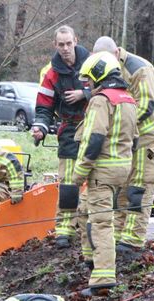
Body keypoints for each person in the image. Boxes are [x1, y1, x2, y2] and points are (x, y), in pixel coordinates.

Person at [92, 36, 154, 259]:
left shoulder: (139, 69)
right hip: (130, 139)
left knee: (139, 189)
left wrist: (117, 125)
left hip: (149, 138)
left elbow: (146, 106)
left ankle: (133, 242)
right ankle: (118, 237)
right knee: (123, 189)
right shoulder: (106, 67)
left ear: (117, 53)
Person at [70, 52, 136, 293]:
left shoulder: (101, 101)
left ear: (99, 74)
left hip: (102, 171)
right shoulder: (127, 99)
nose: (88, 85)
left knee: (101, 224)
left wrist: (78, 174)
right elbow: (134, 139)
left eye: (89, 80)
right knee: (89, 214)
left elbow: (94, 139)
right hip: (121, 169)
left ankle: (103, 280)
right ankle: (91, 260)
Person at [33, 26, 92, 248]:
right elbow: (43, 107)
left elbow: (111, 88)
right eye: (61, 45)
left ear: (76, 40)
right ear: (55, 45)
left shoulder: (93, 63)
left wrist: (84, 93)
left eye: (69, 43)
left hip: (95, 127)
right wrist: (40, 127)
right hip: (68, 130)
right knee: (68, 182)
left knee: (97, 180)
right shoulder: (52, 74)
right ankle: (64, 231)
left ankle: (91, 226)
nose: (66, 48)